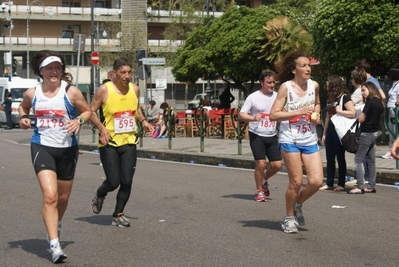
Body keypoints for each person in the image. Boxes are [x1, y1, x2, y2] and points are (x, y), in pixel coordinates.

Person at [18, 50, 91, 263]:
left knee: (63, 198)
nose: (54, 71)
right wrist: (23, 117)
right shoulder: (33, 93)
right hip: (42, 146)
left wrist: (79, 121)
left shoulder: (71, 92)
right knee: (50, 195)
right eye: (49, 68)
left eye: (57, 67)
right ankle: (54, 244)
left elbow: (86, 111)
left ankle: (55, 224)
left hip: (67, 149)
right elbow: (23, 107)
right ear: (41, 71)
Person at [90, 57, 154, 227]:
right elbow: (91, 112)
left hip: (129, 141)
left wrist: (144, 122)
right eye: (123, 72)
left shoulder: (135, 89)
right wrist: (101, 129)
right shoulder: (104, 90)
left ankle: (118, 214)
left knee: (127, 181)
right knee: (113, 181)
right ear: (114, 74)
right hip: (109, 141)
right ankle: (100, 193)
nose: (127, 76)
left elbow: (136, 110)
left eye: (129, 72)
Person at [270, 50, 323, 234]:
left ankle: (298, 204)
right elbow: (274, 114)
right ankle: (289, 217)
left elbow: (317, 103)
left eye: (309, 65)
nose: (308, 69)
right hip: (290, 139)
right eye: (303, 66)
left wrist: (316, 115)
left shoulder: (314, 85)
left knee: (316, 181)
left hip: (309, 138)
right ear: (294, 70)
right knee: (296, 181)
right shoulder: (286, 88)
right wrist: (299, 112)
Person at [239, 69, 282, 202]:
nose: (272, 85)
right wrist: (253, 118)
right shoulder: (253, 97)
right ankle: (259, 190)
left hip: (272, 134)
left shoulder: (278, 96)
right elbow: (241, 114)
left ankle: (264, 180)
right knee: (261, 164)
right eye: (269, 82)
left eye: (274, 82)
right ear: (261, 82)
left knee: (277, 165)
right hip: (257, 134)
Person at [319, 76, 356, 191]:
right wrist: (324, 133)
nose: (326, 86)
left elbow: (353, 112)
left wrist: (339, 111)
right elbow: (327, 117)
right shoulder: (330, 99)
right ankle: (329, 182)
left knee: (340, 157)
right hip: (330, 130)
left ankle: (341, 183)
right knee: (329, 157)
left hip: (340, 131)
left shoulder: (344, 97)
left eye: (328, 83)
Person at [348, 82, 384, 194]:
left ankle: (359, 186)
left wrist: (359, 115)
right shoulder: (379, 102)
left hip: (367, 133)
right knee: (371, 160)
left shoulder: (370, 102)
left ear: (370, 89)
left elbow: (362, 119)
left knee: (358, 159)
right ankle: (371, 185)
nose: (363, 93)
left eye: (364, 90)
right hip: (375, 132)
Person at [381, 67, 399, 159]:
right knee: (391, 130)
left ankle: (392, 150)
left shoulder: (398, 85)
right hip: (390, 109)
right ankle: (390, 150)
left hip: (394, 110)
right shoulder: (394, 84)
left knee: (394, 131)